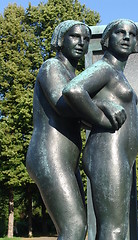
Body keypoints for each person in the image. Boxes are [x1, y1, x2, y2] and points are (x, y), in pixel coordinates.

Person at [63, 19, 138, 240]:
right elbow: (74, 90)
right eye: (120, 32)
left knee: (117, 227)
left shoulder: (117, 72)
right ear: (106, 40)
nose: (127, 37)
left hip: (120, 154)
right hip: (108, 151)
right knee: (114, 229)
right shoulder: (104, 68)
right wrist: (100, 118)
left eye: (132, 34)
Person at [26, 20, 91, 240]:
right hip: (50, 154)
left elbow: (84, 116)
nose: (81, 43)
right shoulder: (52, 66)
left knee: (80, 227)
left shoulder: (74, 78)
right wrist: (102, 108)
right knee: (73, 226)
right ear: (60, 39)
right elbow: (62, 104)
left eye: (86, 39)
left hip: (66, 159)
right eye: (75, 36)